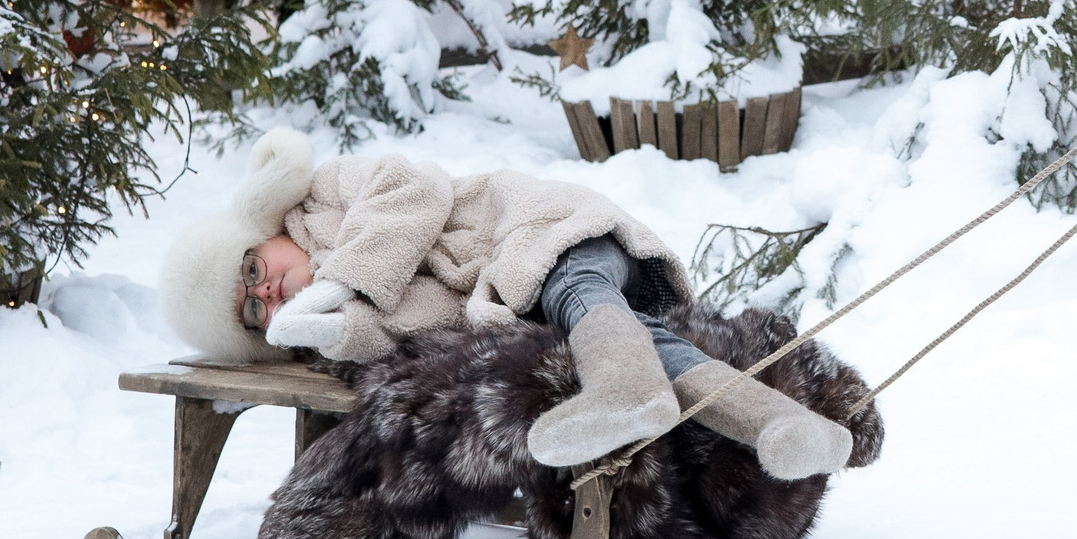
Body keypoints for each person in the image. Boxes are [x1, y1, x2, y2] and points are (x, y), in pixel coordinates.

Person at [159, 129, 852, 480]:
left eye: (252, 267)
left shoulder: (330, 192)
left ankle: (623, 392)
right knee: (643, 341)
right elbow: (426, 320)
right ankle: (784, 427)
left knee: (575, 290)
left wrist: (341, 283)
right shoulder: (331, 319)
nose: (264, 290)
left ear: (264, 231)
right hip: (540, 300)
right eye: (251, 309)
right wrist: (345, 331)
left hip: (539, 228)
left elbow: (416, 189)